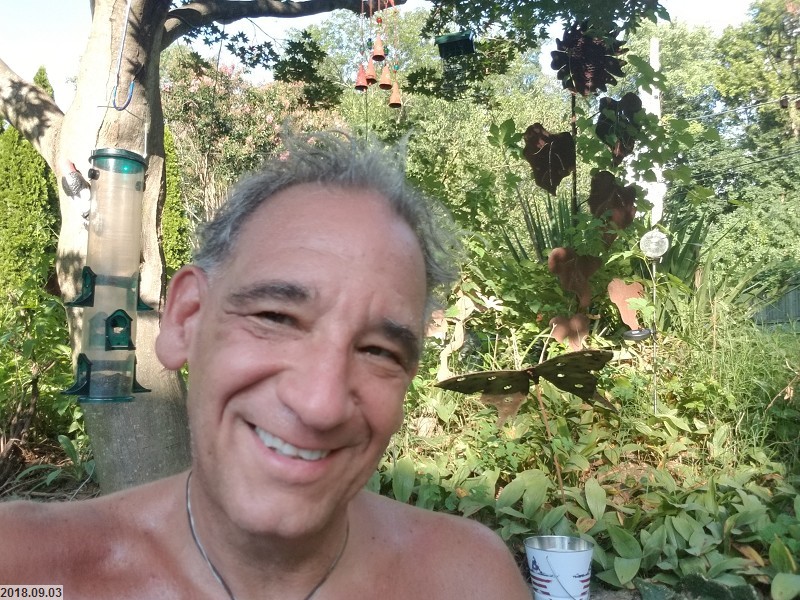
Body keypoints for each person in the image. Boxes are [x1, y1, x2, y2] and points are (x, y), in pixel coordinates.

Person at [0, 132, 532, 599]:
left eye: (379, 352)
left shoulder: (469, 583)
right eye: (276, 317)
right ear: (186, 319)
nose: (320, 404)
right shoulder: (26, 574)